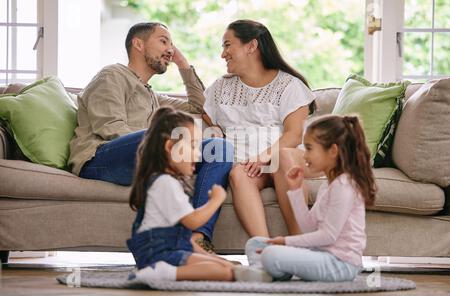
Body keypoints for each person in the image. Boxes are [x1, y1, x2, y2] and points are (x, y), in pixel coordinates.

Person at [68, 22, 233, 253]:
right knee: (158, 136)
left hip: (144, 154)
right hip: (100, 159)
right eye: (163, 41)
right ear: (138, 43)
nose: (170, 49)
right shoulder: (112, 75)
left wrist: (183, 64)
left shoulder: (152, 95)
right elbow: (110, 128)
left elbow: (199, 108)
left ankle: (196, 238)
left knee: (219, 147)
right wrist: (164, 149)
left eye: (172, 45)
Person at [202, 19, 316, 238]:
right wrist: (216, 128)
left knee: (285, 159)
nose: (223, 54)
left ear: (251, 46)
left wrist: (263, 156)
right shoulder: (222, 86)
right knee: (238, 173)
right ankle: (263, 249)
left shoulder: (289, 85)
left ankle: (299, 245)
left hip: (279, 157)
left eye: (227, 45)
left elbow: (294, 134)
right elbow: (204, 112)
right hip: (246, 164)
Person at [237, 115, 377, 282]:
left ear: (333, 151)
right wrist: (295, 191)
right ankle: (267, 271)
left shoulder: (344, 186)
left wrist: (286, 242)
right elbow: (308, 227)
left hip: (341, 264)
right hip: (320, 254)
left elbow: (328, 236)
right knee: (255, 244)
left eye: (309, 148)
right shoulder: (329, 185)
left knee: (271, 253)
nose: (304, 156)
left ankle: (266, 270)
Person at [127, 107, 237, 282]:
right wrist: (215, 200)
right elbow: (193, 221)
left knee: (226, 267)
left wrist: (217, 259)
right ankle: (158, 273)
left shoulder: (169, 183)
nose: (199, 153)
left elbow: (185, 240)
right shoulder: (165, 183)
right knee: (224, 273)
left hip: (169, 251)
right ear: (170, 147)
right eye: (193, 145)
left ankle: (161, 272)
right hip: (157, 254)